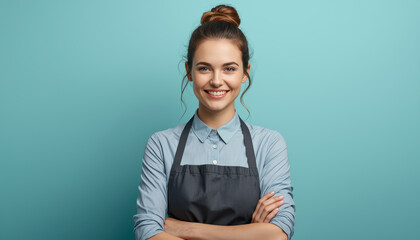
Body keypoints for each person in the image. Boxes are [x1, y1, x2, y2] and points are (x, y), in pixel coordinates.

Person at [133, 4, 295, 240]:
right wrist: (249, 233)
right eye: (204, 68)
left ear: (245, 72)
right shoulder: (161, 144)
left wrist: (185, 229)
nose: (217, 81)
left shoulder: (269, 144)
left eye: (229, 68)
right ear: (189, 71)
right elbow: (147, 232)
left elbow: (278, 234)